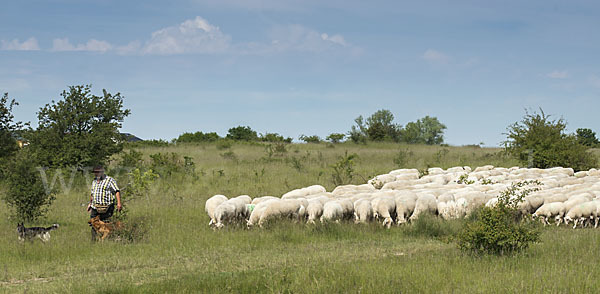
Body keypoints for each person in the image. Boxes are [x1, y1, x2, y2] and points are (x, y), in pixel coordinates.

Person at [87, 165, 122, 241]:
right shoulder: (94, 181)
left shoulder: (110, 180)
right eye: (95, 173)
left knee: (107, 223)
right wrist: (90, 203)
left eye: (98, 172)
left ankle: (108, 239)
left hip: (107, 207)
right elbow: (93, 193)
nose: (96, 174)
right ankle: (93, 241)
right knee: (93, 224)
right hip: (95, 207)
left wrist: (119, 203)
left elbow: (117, 191)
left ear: (102, 172)